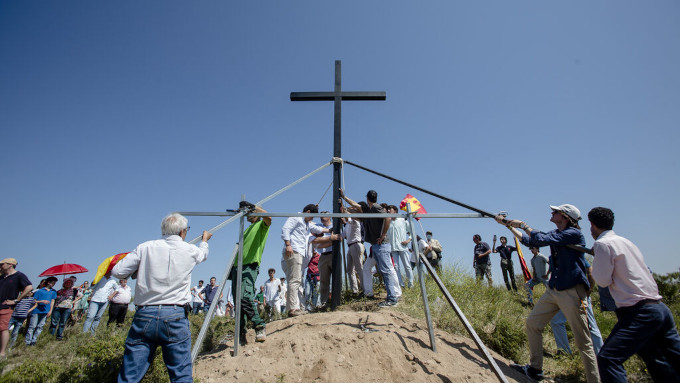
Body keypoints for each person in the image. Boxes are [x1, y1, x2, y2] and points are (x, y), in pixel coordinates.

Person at [498, 204, 599, 383]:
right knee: (533, 324)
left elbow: (541, 239)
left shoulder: (573, 234)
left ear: (566, 217)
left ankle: (594, 379)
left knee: (584, 342)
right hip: (554, 290)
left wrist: (523, 225)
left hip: (572, 291)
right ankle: (535, 369)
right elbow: (531, 241)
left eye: (556, 212)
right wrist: (509, 226)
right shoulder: (558, 234)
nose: (552, 213)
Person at [111, 212, 212, 383]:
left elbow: (118, 271)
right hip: (174, 314)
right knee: (181, 375)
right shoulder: (190, 250)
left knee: (130, 375)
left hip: (145, 314)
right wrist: (204, 241)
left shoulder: (145, 247)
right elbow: (203, 254)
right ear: (182, 232)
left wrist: (138, 269)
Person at [589, 207, 680, 383]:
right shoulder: (627, 242)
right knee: (661, 360)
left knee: (609, 359)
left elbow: (602, 280)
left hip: (638, 311)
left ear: (592, 225)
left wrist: (597, 261)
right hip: (659, 308)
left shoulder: (602, 244)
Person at [342, 189, 399, 307]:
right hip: (376, 246)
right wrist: (344, 198)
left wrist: (382, 235)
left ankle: (393, 298)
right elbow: (354, 207)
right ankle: (370, 293)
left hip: (382, 245)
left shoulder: (377, 208)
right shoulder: (368, 210)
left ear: (367, 198)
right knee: (368, 268)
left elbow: (387, 218)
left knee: (386, 270)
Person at [228, 203, 271, 345]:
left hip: (249, 266)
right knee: (238, 303)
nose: (247, 215)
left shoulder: (261, 226)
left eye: (250, 213)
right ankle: (240, 335)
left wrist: (254, 206)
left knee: (245, 297)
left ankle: (259, 326)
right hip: (236, 267)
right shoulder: (245, 231)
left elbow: (269, 217)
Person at [281, 204, 328, 316]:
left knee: (297, 281)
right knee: (295, 280)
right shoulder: (296, 217)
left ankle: (295, 307)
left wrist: (330, 229)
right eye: (312, 216)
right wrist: (288, 244)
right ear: (307, 212)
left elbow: (317, 228)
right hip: (294, 251)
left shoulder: (306, 223)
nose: (312, 219)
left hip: (298, 253)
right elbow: (285, 229)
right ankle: (293, 309)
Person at [0, 257, 33, 357]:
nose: (1, 266)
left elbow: (29, 287)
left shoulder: (19, 276)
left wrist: (17, 300)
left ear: (10, 265)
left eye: (2, 264)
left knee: (3, 329)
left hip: (6, 306)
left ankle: (2, 353)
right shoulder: (2, 277)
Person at [25, 276, 57, 346]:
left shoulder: (53, 292)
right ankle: (28, 341)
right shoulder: (39, 291)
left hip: (45, 311)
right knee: (32, 326)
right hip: (36, 310)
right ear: (49, 282)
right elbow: (34, 300)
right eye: (53, 283)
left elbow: (52, 301)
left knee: (40, 326)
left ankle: (34, 340)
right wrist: (41, 301)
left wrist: (50, 311)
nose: (54, 284)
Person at [387, 206, 413, 288]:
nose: (388, 210)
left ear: (395, 211)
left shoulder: (402, 220)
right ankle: (401, 285)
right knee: (396, 267)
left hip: (403, 246)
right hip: (393, 248)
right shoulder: (388, 222)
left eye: (389, 209)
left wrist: (408, 240)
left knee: (407, 266)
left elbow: (411, 231)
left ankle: (411, 283)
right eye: (387, 209)